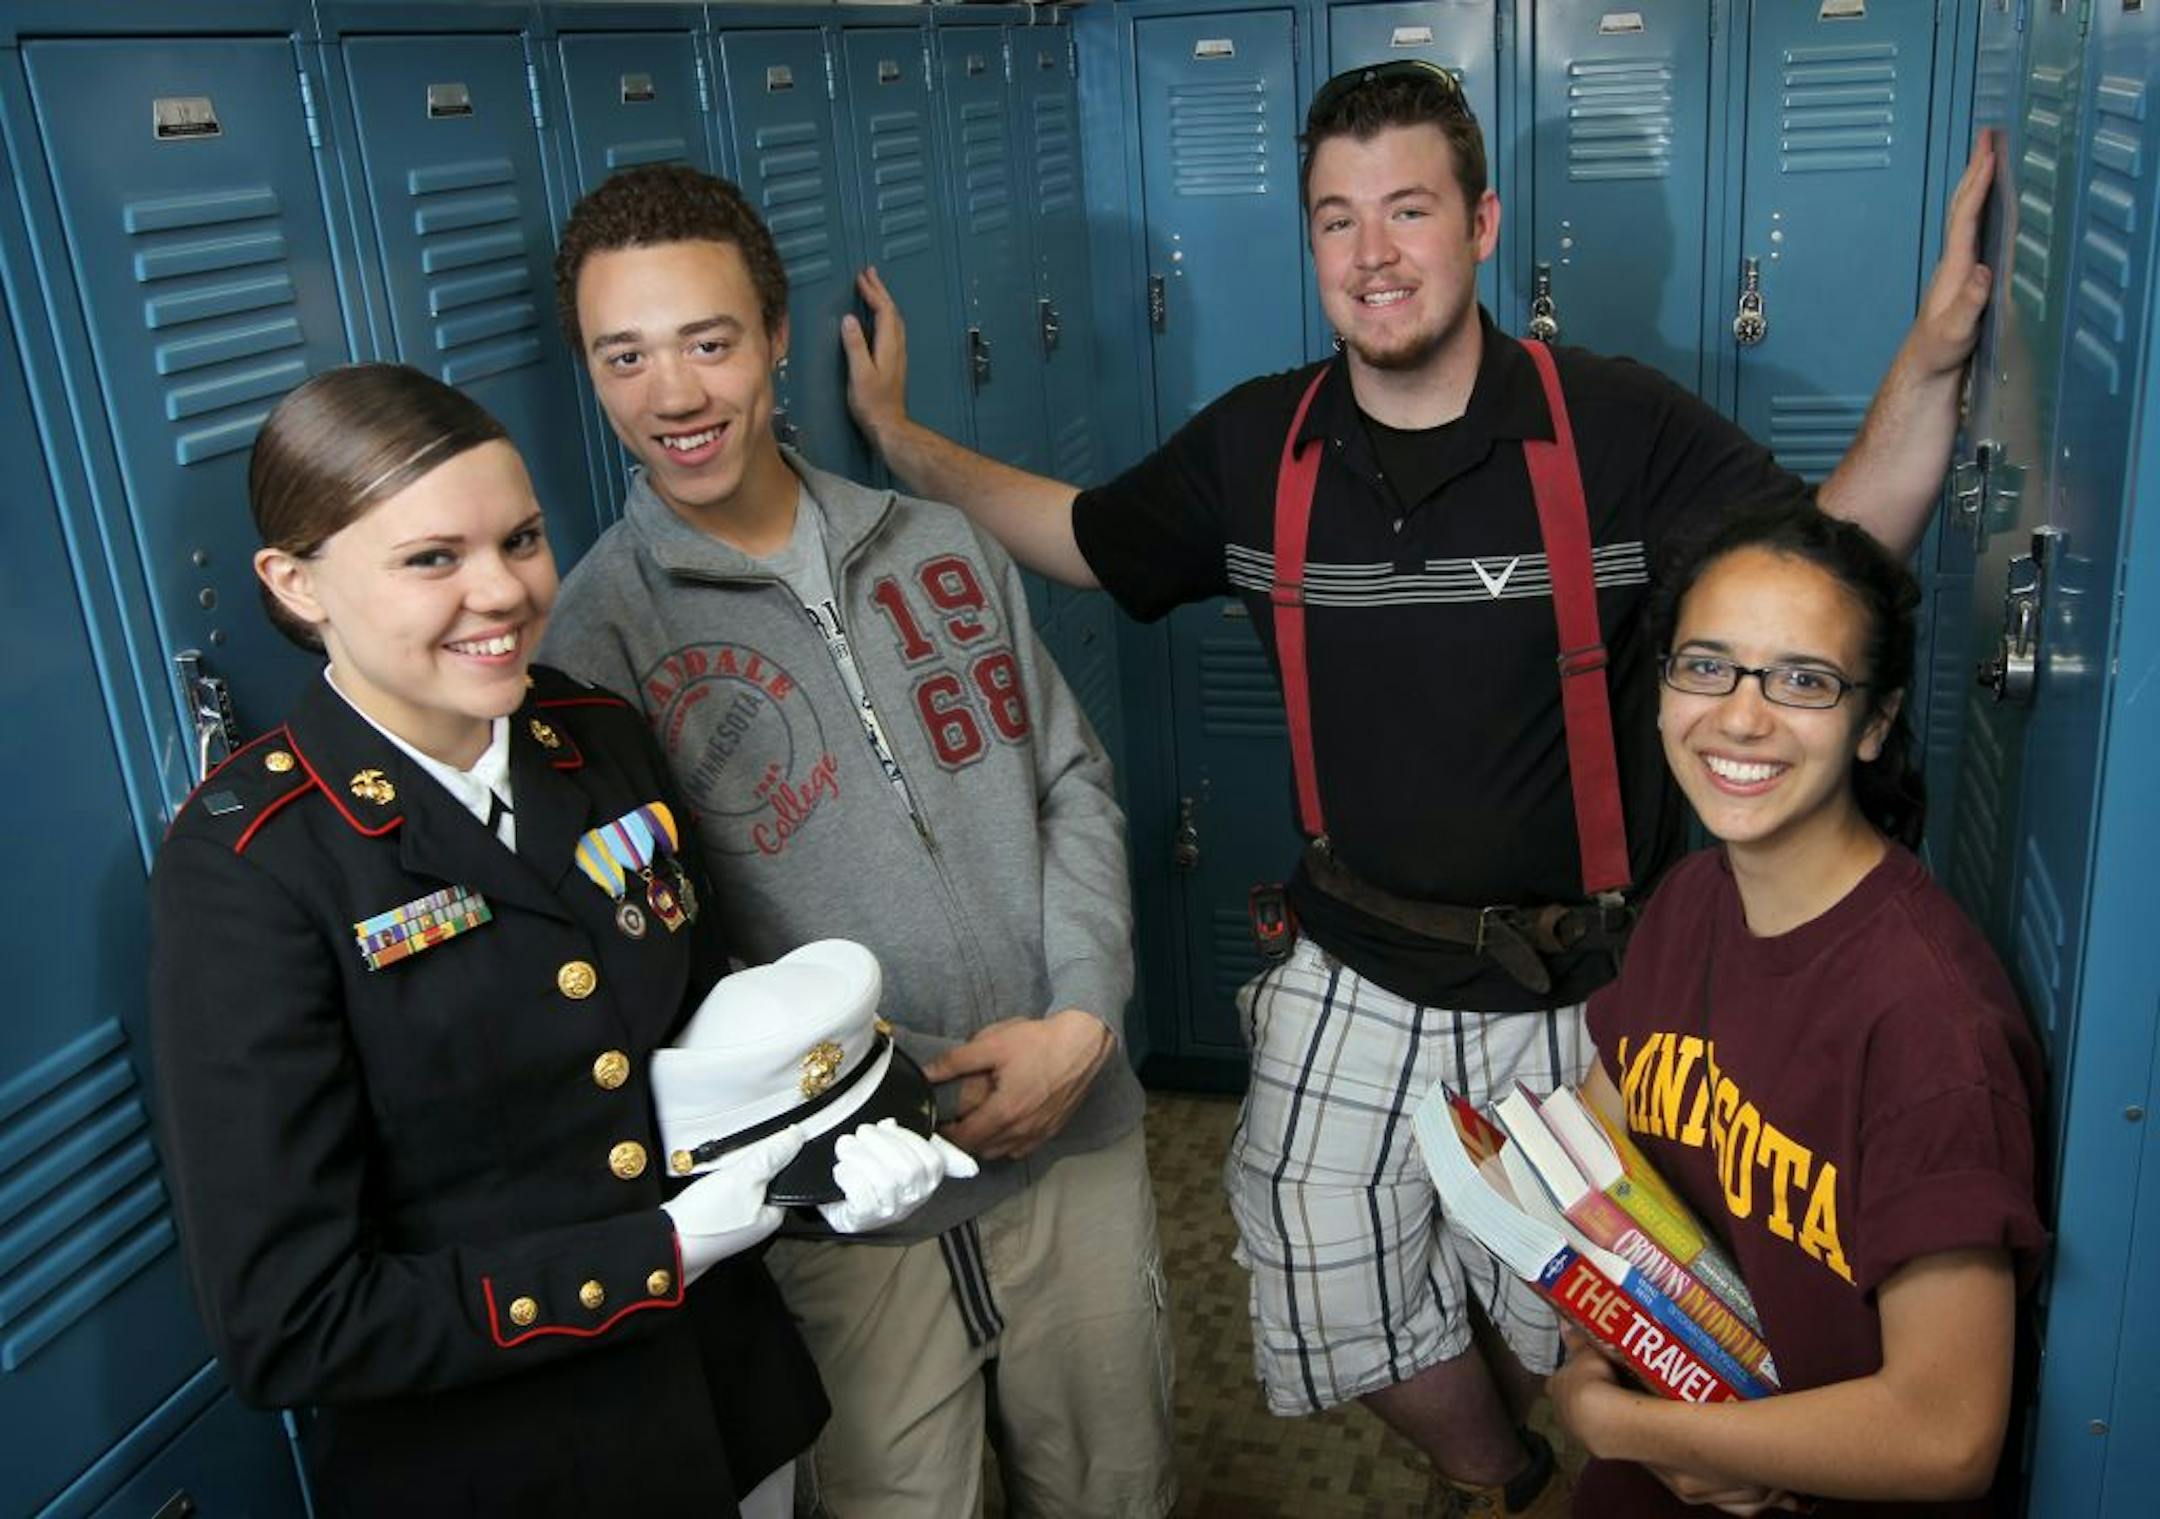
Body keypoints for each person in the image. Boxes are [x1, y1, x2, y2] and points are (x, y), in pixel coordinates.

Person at [838, 59, 1996, 1519]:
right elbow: (1078, 532)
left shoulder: (1614, 425)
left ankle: (1547, 1446)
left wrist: (1940, 353)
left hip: (1586, 970)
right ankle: (1495, 1473)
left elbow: (1829, 565)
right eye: (1337, 219)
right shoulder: (1260, 445)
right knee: (1308, 1251)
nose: (1374, 254)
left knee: (1562, 1313)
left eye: (1409, 210)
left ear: (1483, 223)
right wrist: (901, 441)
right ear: (1310, 243)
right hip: (1357, 950)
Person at [150, 364, 965, 1519]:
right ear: (297, 584)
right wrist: (658, 1256)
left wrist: (843, 1148)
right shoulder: (255, 864)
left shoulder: (595, 739)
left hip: (727, 1411)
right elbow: (288, 1323)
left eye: (522, 539)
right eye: (433, 558)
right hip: (503, 1471)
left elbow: (709, 1031)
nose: (502, 592)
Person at [540, 165, 1175, 1519]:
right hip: (845, 1204)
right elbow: (657, 963)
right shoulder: (593, 643)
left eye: (708, 341)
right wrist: (860, 1101)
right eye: (625, 356)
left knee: (1115, 1484)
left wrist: (1082, 1016)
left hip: (1068, 1128)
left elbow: (1069, 780)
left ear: (775, 337)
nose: (674, 395)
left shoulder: (939, 544)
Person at [1550, 497, 2045, 1516]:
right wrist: (1593, 1332)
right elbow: (1600, 1149)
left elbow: (1948, 1432)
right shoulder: (1691, 900)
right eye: (1706, 664)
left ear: (1874, 723)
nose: (1740, 714)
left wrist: (1626, 1424)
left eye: (1804, 681)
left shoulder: (1928, 1025)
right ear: (1659, 692)